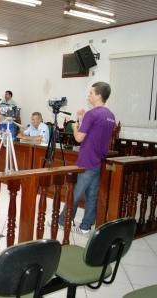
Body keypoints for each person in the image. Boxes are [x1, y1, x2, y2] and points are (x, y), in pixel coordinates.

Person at [58, 81, 116, 234]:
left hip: (87, 160)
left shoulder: (92, 114)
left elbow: (79, 138)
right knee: (92, 195)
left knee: (75, 193)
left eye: (91, 93)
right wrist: (83, 118)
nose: (88, 96)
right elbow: (95, 133)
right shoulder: (110, 116)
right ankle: (86, 226)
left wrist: (75, 126)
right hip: (99, 160)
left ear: (98, 95)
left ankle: (63, 221)